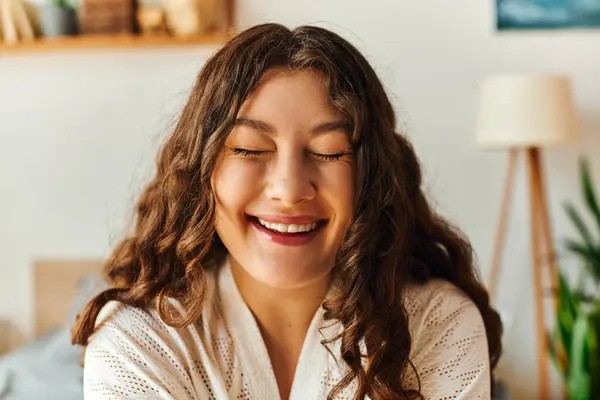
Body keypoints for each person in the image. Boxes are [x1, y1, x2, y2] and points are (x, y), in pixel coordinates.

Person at [72, 23, 503, 400]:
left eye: (329, 152)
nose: (290, 190)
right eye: (249, 149)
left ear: (372, 177)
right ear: (202, 172)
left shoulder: (436, 323)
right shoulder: (139, 342)